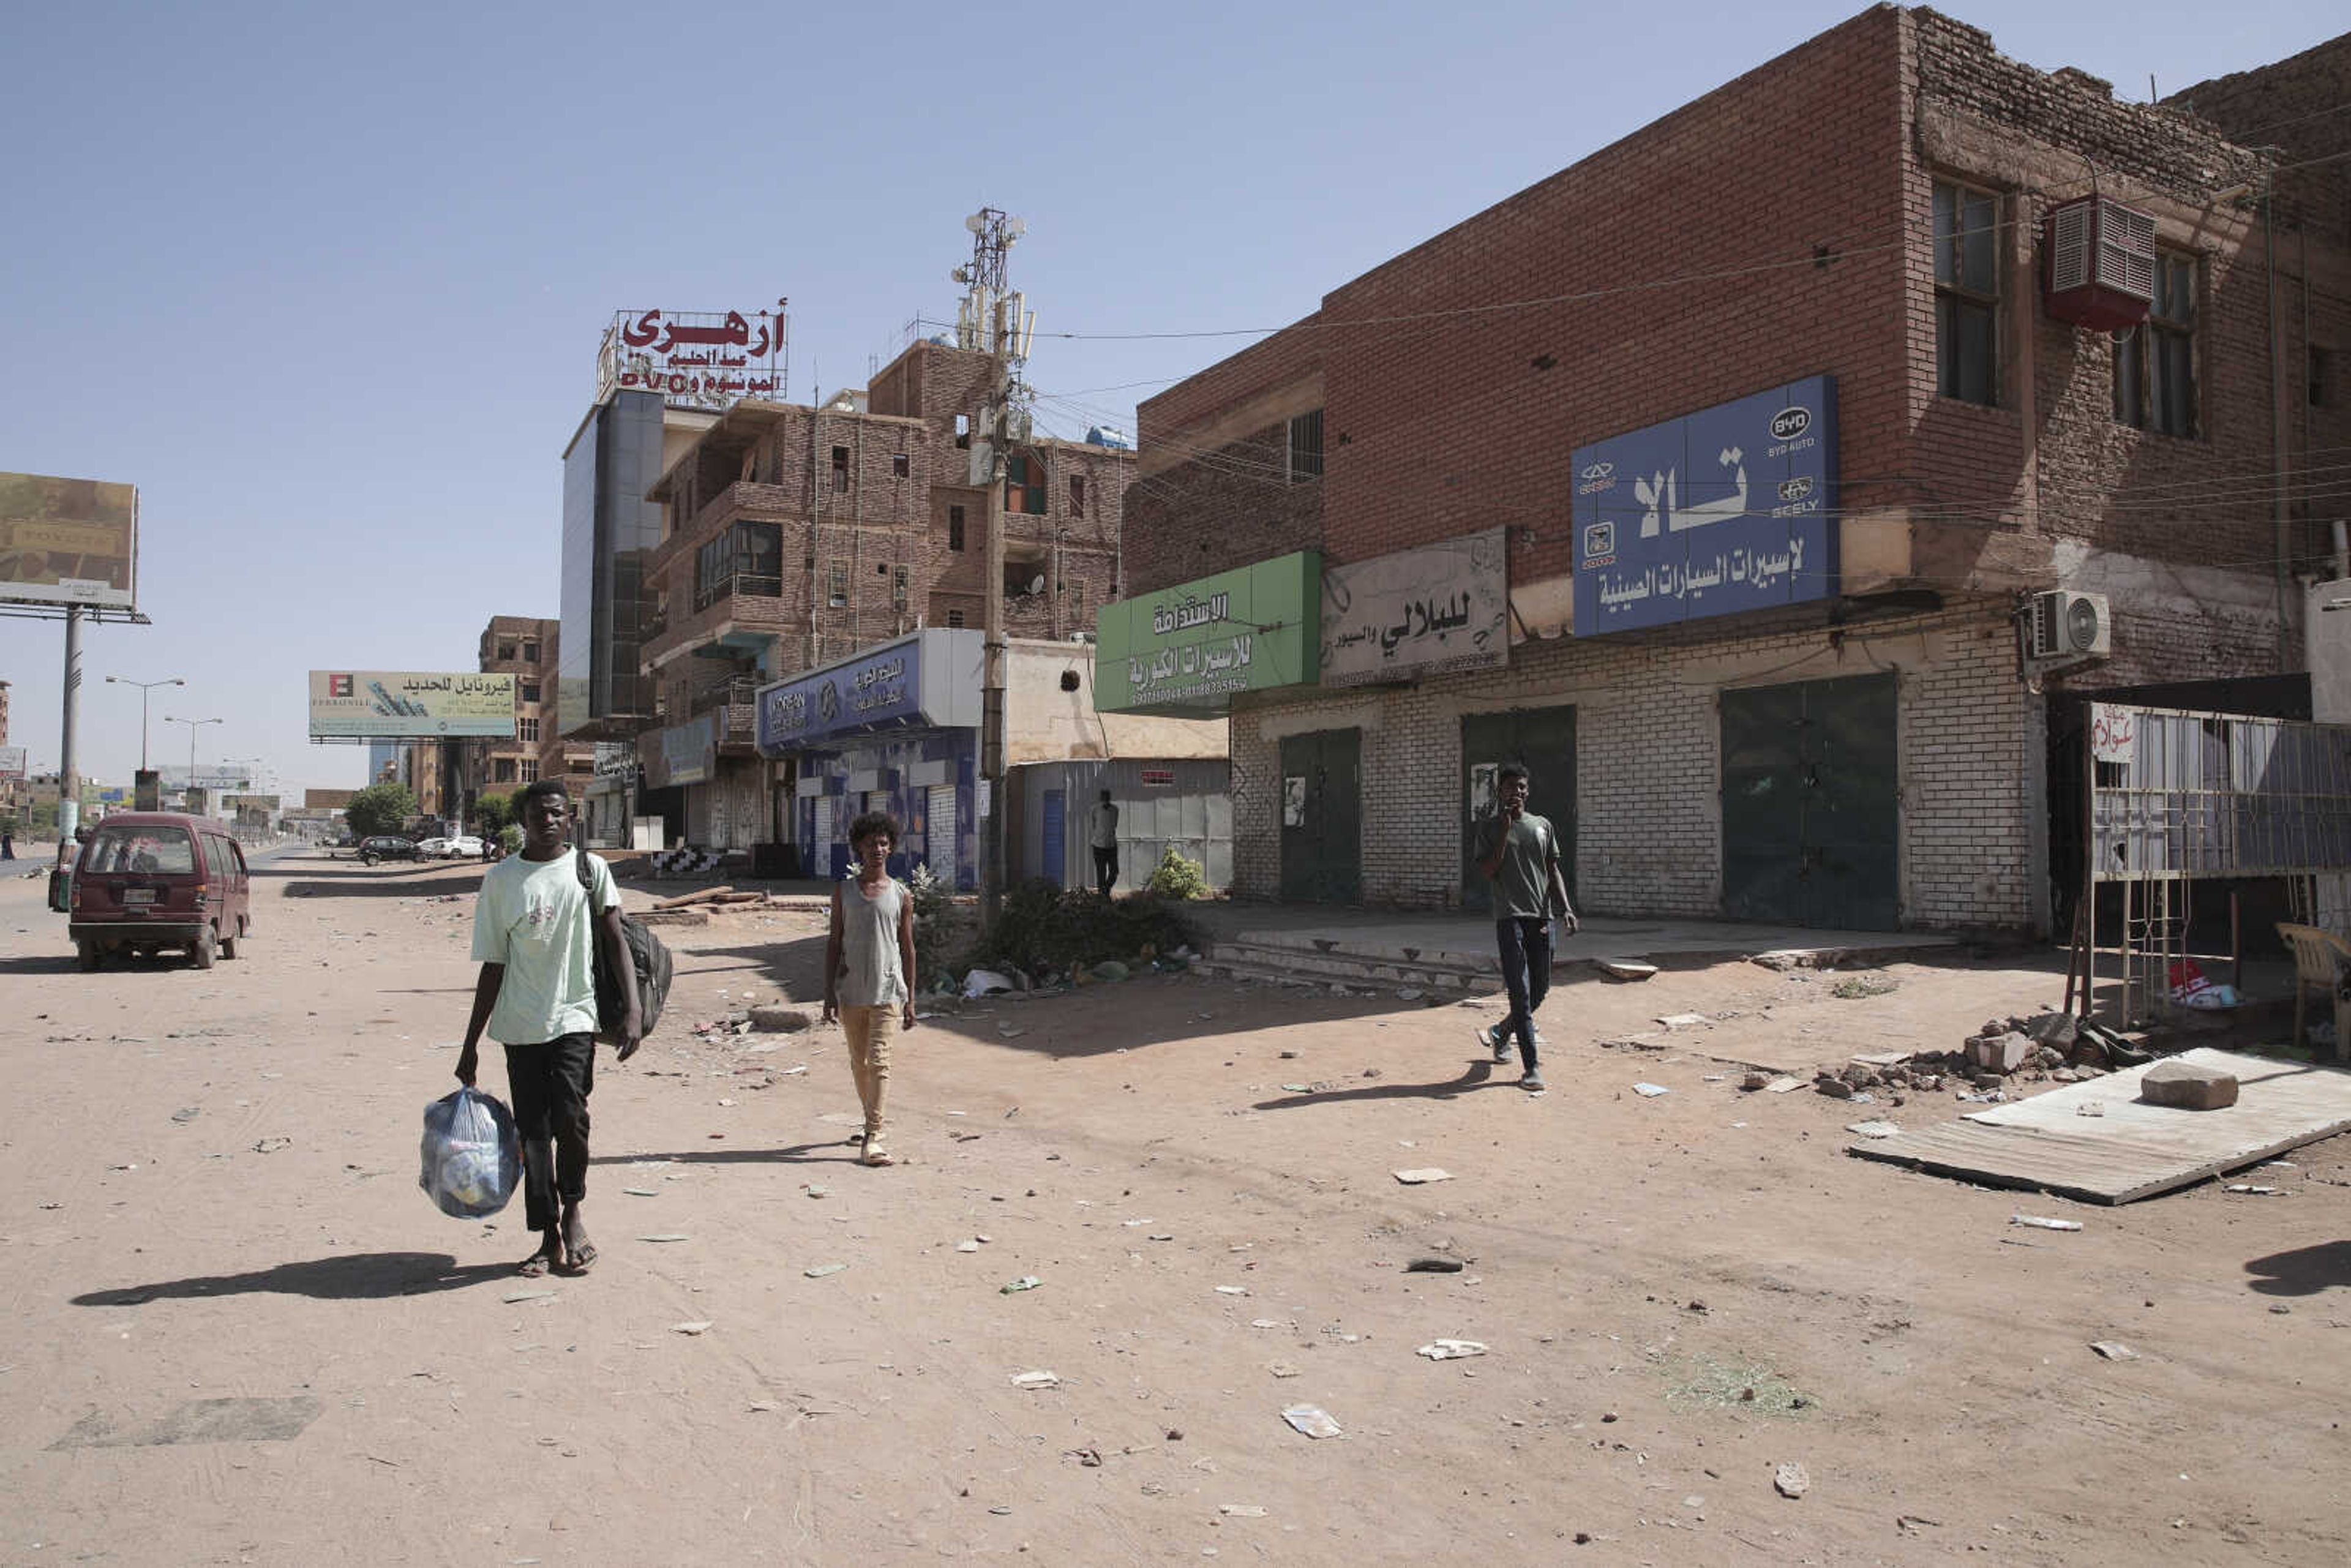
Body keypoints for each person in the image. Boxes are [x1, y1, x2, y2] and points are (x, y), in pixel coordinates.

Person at [454, 779, 642, 1277]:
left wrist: (635, 1010)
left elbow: (617, 938)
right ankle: (547, 1234)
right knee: (534, 1134)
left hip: (575, 1016)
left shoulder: (589, 869)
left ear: (570, 817)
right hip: (519, 1025)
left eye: (557, 813)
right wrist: (470, 1043)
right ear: (525, 820)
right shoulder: (501, 881)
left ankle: (575, 1209)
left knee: (572, 1119)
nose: (549, 821)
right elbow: (493, 965)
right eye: (539, 814)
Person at [1472, 763, 1577, 1092]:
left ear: (1527, 791)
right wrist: (1504, 830)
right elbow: (1489, 871)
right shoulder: (1489, 829)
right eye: (1510, 787)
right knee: (1520, 991)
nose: (1516, 792)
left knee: (1540, 990)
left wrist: (1567, 908)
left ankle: (1502, 1032)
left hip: (1542, 917)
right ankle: (1531, 1068)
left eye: (1521, 787)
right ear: (1500, 792)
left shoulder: (1542, 826)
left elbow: (1552, 869)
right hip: (1510, 917)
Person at [820, 811, 918, 1167]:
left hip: (888, 991)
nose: (877, 848)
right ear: (859, 847)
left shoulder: (901, 895)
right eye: (871, 843)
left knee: (879, 1063)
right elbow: (834, 943)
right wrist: (829, 993)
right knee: (859, 1064)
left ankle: (873, 1136)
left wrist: (911, 999)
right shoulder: (844, 893)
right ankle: (870, 1119)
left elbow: (907, 947)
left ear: (891, 848)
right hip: (851, 992)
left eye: (883, 843)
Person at [1089, 789, 1120, 898]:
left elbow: (1114, 825)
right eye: (1104, 798)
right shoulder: (1094, 809)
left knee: (1114, 872)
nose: (1105, 800)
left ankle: (1105, 892)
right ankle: (1103, 898)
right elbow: (1093, 826)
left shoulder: (1115, 809)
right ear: (1101, 799)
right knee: (1101, 874)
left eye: (1107, 798)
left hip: (1112, 845)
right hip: (1098, 846)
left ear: (1109, 798)